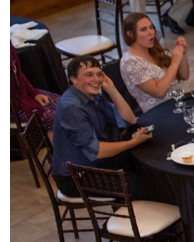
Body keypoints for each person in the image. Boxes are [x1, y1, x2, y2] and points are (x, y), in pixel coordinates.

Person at [50, 53, 152, 181]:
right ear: (73, 79)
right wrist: (132, 143)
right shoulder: (72, 108)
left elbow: (129, 120)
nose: (96, 79)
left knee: (146, 167)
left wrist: (112, 89)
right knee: (142, 183)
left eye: (99, 74)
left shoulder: (93, 95)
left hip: (97, 162)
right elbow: (96, 151)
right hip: (78, 177)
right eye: (89, 75)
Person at [118, 12, 194, 112]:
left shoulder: (153, 50)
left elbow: (183, 76)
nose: (151, 32)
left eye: (151, 27)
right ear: (130, 34)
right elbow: (159, 92)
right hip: (158, 112)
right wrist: (174, 63)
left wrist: (181, 54)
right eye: (143, 29)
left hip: (176, 103)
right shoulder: (130, 62)